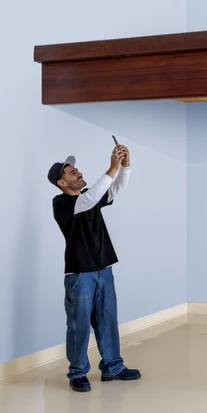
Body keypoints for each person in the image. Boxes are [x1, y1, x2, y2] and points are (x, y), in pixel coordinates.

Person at [48, 145, 141, 393]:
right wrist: (112, 167)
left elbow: (116, 188)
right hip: (80, 274)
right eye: (71, 173)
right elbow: (87, 200)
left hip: (103, 269)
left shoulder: (88, 195)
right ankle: (77, 372)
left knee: (107, 320)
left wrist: (125, 165)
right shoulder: (62, 203)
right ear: (61, 182)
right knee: (79, 324)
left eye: (77, 169)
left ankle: (112, 366)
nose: (78, 173)